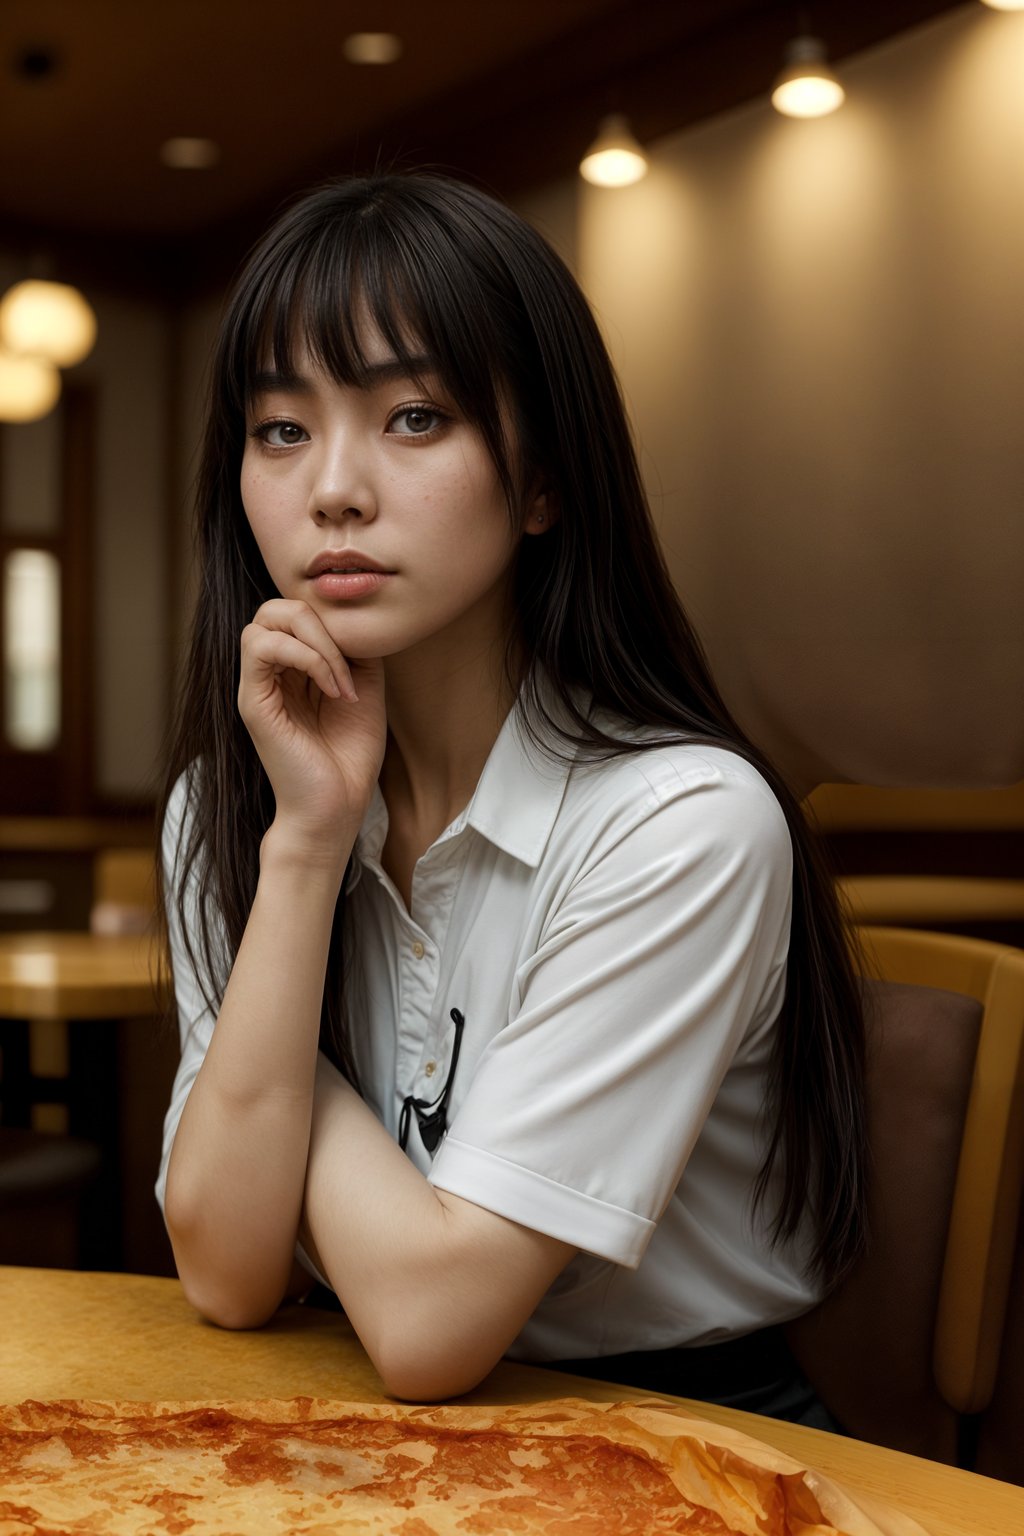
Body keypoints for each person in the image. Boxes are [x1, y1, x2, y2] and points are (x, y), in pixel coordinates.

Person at [156, 171, 867, 1424]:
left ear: (543, 481)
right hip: (350, 1421)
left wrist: (262, 1074)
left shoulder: (681, 822)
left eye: (415, 416)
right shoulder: (240, 810)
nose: (335, 489)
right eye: (282, 429)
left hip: (671, 1436)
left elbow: (432, 1323)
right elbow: (224, 1272)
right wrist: (309, 851)